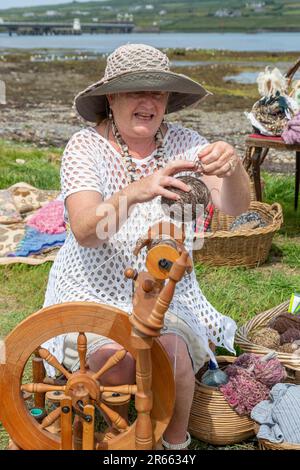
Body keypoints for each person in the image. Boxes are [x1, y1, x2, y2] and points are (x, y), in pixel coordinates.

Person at [42, 44, 251, 450]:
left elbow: (235, 206)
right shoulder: (85, 148)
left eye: (157, 91)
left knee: (172, 363)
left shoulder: (187, 145)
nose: (148, 101)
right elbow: (86, 229)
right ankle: (130, 442)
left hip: (164, 291)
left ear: (168, 100)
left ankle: (174, 447)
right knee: (117, 367)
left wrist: (234, 166)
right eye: (136, 90)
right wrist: (140, 189)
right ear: (111, 97)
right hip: (92, 290)